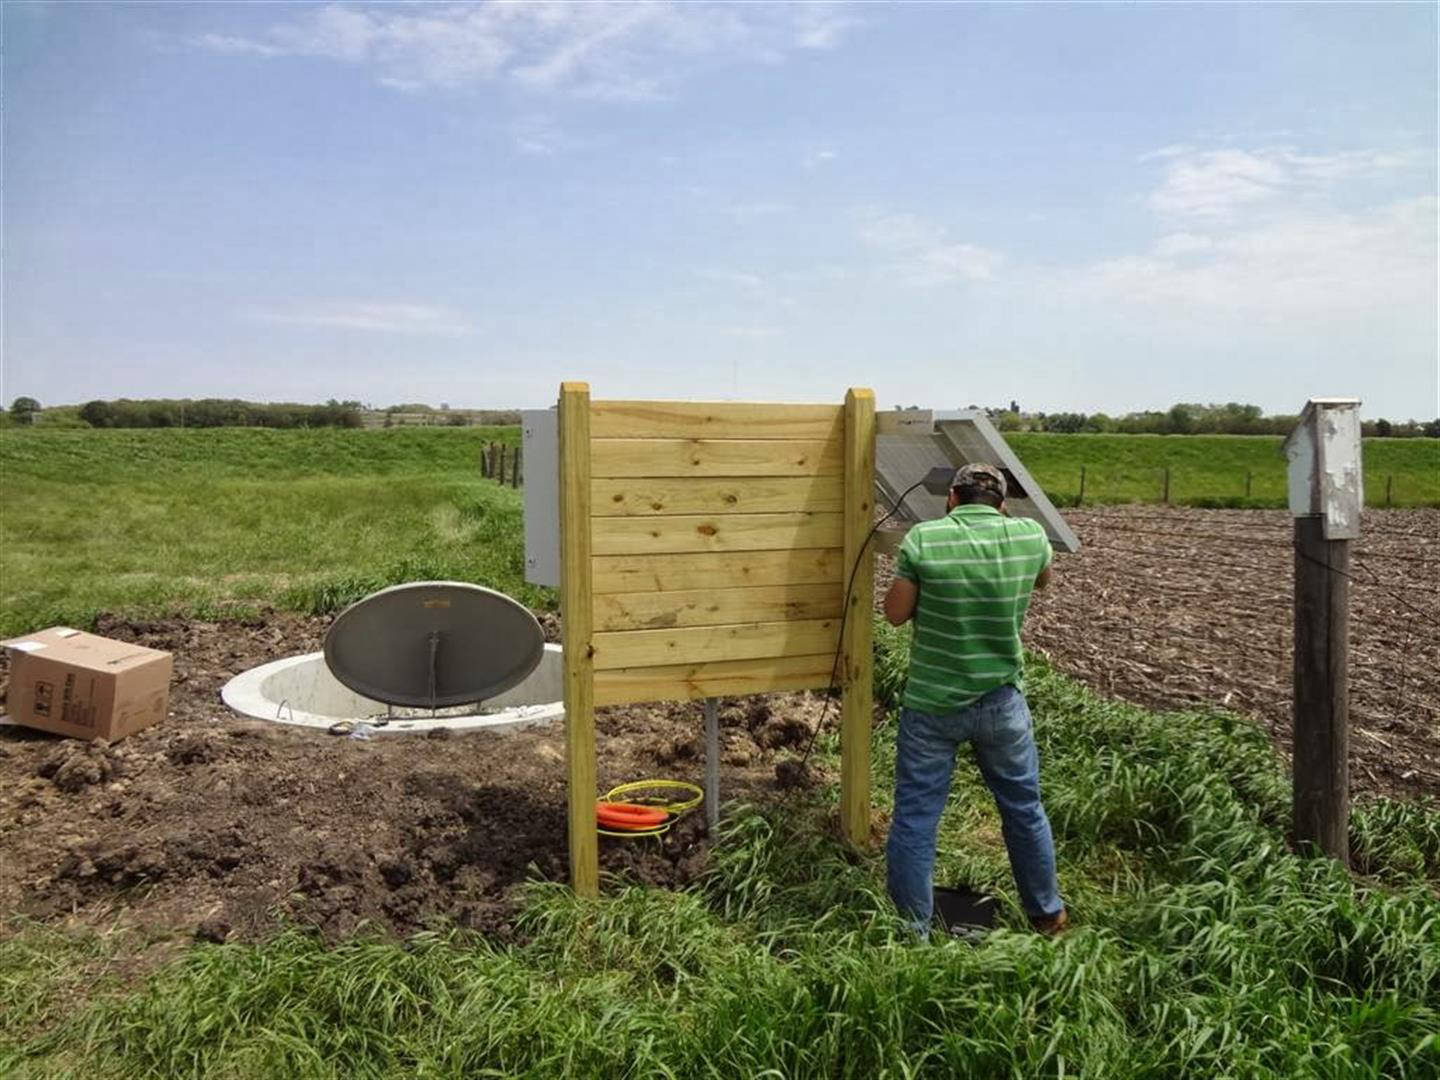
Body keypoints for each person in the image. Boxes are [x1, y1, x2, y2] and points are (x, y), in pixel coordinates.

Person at [882, 462, 1067, 937]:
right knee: (1023, 808)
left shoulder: (925, 540)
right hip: (1002, 703)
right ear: (1002, 506)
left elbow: (896, 615)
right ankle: (1047, 914)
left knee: (917, 816)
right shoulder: (1029, 536)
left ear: (951, 500)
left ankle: (912, 930)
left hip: (933, 706)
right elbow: (1042, 580)